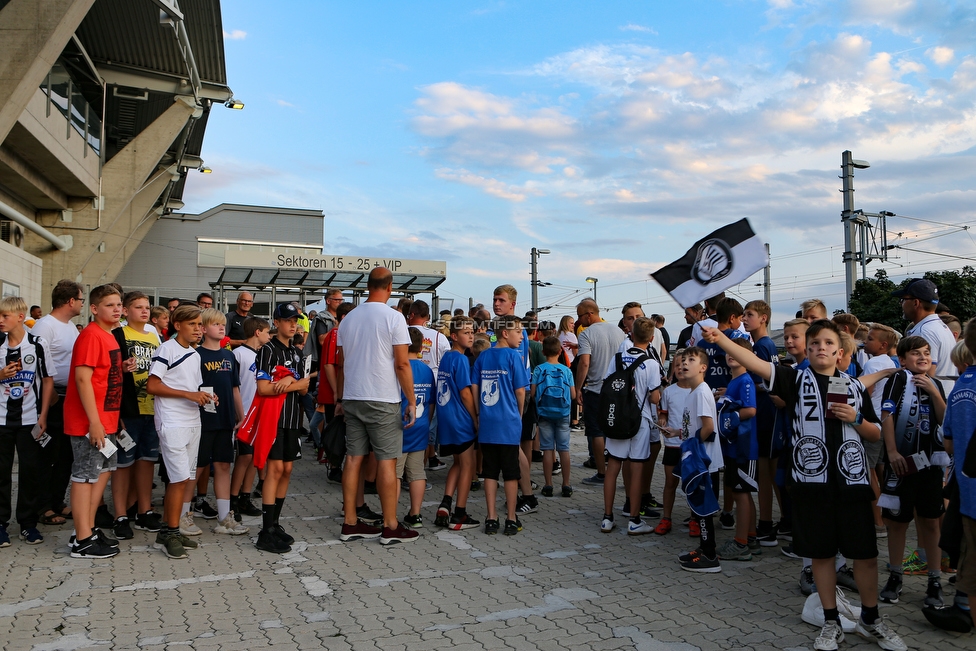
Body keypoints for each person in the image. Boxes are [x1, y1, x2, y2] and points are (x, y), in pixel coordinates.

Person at [702, 320, 907, 651]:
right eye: (814, 344)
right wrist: (721, 338)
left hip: (851, 483)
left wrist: (854, 418)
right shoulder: (794, 380)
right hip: (812, 484)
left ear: (840, 352)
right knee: (821, 555)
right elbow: (753, 361)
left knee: (865, 556)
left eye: (828, 343)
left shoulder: (853, 386)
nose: (820, 348)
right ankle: (830, 621)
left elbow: (875, 433)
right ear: (807, 352)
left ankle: (871, 619)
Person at [336, 267, 418, 545]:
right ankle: (390, 525)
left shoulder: (348, 320)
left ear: (368, 285)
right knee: (386, 461)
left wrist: (341, 398)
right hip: (383, 397)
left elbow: (342, 363)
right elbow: (402, 363)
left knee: (353, 459)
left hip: (353, 395)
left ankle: (350, 522)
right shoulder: (394, 317)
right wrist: (412, 401)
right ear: (390, 286)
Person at [877, 336, 948, 607]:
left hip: (930, 464)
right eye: (915, 353)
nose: (922, 357)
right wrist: (892, 450)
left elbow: (944, 419)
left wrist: (935, 393)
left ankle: (934, 580)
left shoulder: (936, 383)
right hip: (900, 464)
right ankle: (895, 576)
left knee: (931, 521)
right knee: (897, 522)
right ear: (903, 359)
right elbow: (887, 414)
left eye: (926, 353)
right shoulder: (897, 380)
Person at [64, 285, 125, 559]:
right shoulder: (91, 335)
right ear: (94, 308)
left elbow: (108, 379)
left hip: (108, 420)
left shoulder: (109, 336)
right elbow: (82, 379)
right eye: (110, 304)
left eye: (119, 304)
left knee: (104, 471)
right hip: (90, 422)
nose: (117, 309)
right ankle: (82, 540)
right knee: (85, 476)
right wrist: (94, 422)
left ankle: (86, 528)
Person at [147, 304, 212, 559]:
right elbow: (152, 385)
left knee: (185, 478)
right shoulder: (166, 349)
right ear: (177, 326)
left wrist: (205, 397)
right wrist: (188, 394)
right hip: (172, 422)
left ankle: (169, 532)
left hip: (193, 421)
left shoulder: (195, 354)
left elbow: (192, 387)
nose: (199, 329)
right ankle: (170, 533)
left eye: (200, 324)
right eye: (193, 324)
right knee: (177, 480)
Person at [253, 303, 310, 552]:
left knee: (287, 469)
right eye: (287, 319)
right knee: (274, 470)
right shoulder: (267, 350)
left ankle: (275, 524)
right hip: (274, 420)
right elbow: (264, 388)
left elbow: (305, 387)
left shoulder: (297, 353)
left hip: (292, 420)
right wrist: (293, 383)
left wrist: (289, 382)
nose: (292, 323)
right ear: (276, 322)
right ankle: (265, 531)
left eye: (295, 319)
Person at [933, 319, 976, 632]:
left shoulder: (963, 385)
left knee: (971, 561)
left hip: (970, 492)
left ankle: (964, 611)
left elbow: (948, 441)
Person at [600, 318, 661, 536]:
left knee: (612, 468)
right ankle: (634, 520)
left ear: (631, 335)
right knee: (636, 470)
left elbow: (607, 384)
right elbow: (654, 398)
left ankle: (607, 518)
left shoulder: (616, 359)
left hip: (616, 419)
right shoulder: (652, 364)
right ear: (652, 338)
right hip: (640, 423)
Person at [0, 296, 53, 547]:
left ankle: (28, 524)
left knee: (30, 472)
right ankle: (1, 524)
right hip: (1, 420)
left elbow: (48, 379)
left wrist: (43, 415)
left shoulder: (37, 343)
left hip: (30, 419)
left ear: (20, 317)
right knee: (1, 473)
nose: (0, 321)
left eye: (5, 316)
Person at [30, 280, 83, 524]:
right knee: (47, 454)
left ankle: (57, 500)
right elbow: (35, 364)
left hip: (69, 397)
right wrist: (46, 398)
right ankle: (41, 506)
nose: (82, 303)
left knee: (65, 455)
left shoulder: (70, 326)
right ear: (71, 301)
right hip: (51, 399)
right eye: (81, 299)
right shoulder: (45, 326)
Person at [474, 315, 530, 535]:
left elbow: (476, 386)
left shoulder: (483, 356)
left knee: (489, 472)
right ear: (505, 333)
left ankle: (490, 518)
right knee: (510, 472)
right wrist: (518, 413)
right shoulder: (513, 356)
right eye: (518, 332)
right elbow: (520, 391)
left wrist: (479, 413)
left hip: (488, 422)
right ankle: (511, 518)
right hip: (508, 423)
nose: (521, 336)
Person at [194, 309, 248, 536]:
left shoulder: (229, 356)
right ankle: (183, 514)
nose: (222, 327)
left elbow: (235, 388)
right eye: (216, 324)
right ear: (204, 329)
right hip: (202, 420)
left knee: (224, 465)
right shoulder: (196, 355)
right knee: (196, 468)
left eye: (223, 324)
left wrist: (241, 415)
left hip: (225, 420)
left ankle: (225, 517)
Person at [116, 292, 164, 537]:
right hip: (128, 408)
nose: (144, 311)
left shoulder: (155, 336)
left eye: (147, 307)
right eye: (138, 307)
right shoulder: (119, 334)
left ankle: (143, 512)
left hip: (152, 408)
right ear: (125, 310)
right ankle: (120, 515)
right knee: (123, 463)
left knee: (147, 461)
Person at [672, 347, 722, 573]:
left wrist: (691, 446)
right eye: (682, 360)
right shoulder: (694, 392)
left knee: (703, 509)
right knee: (698, 508)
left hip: (705, 462)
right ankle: (704, 547)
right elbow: (693, 427)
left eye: (690, 360)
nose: (684, 364)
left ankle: (710, 556)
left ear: (703, 367)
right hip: (700, 460)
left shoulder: (702, 392)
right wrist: (676, 433)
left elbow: (708, 427)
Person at [741, 300, 781, 546]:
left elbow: (765, 383)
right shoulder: (766, 345)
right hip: (768, 416)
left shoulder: (762, 347)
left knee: (766, 473)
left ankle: (766, 523)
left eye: (749, 315)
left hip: (765, 417)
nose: (744, 319)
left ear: (763, 318)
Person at [434, 315, 480, 530]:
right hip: (461, 418)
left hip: (446, 417)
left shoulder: (446, 357)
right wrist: (475, 417)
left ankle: (445, 503)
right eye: (466, 333)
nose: (470, 336)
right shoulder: (461, 359)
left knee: (458, 463)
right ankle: (459, 514)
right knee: (468, 466)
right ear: (454, 336)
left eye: (472, 332)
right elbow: (465, 393)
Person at [715, 339, 758, 562]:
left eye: (738, 352)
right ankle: (749, 536)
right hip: (733, 448)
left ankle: (741, 543)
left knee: (742, 494)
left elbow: (750, 410)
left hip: (744, 447)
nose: (731, 355)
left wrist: (733, 417)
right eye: (729, 352)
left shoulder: (746, 380)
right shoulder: (733, 381)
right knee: (742, 492)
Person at [574, 298, 625, 485]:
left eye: (580, 316)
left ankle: (602, 473)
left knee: (596, 431)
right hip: (617, 389)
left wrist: (578, 387)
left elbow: (584, 362)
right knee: (616, 430)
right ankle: (617, 470)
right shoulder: (618, 331)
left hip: (596, 389)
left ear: (589, 314)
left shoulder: (586, 334)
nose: (579, 320)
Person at [230, 316, 270, 520]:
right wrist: (239, 414)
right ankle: (233, 499)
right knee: (243, 457)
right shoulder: (238, 354)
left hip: (259, 414)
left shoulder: (264, 354)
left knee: (254, 458)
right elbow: (233, 386)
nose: (269, 336)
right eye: (267, 332)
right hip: (243, 413)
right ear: (257, 332)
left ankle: (245, 496)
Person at [406, 300, 450, 471]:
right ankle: (419, 471)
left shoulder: (403, 332)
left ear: (411, 315)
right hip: (431, 385)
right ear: (427, 316)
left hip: (405, 381)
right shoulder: (439, 337)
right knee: (426, 431)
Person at [654, 349, 692, 535]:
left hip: (692, 446)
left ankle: (695, 518)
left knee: (692, 484)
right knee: (670, 483)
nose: (679, 369)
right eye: (676, 365)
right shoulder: (668, 391)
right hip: (672, 445)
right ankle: (666, 518)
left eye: (683, 365)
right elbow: (663, 414)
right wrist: (661, 422)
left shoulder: (699, 389)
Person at [532, 335, 575, 499]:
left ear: (543, 352)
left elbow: (534, 391)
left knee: (548, 449)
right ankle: (566, 484)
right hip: (563, 413)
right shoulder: (566, 370)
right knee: (564, 449)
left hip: (544, 413)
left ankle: (548, 484)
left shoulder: (539, 369)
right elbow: (572, 394)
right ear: (560, 351)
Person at [400, 328, 433, 528]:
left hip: (400, 425)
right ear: (421, 347)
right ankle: (416, 513)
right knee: (417, 472)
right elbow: (431, 402)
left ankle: (390, 514)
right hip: (421, 425)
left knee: (395, 473)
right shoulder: (427, 370)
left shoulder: (399, 367)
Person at [892, 278, 958, 378]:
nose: (901, 304)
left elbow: (926, 376)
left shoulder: (924, 332)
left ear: (916, 303)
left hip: (931, 393)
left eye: (903, 300)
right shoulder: (941, 326)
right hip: (944, 391)